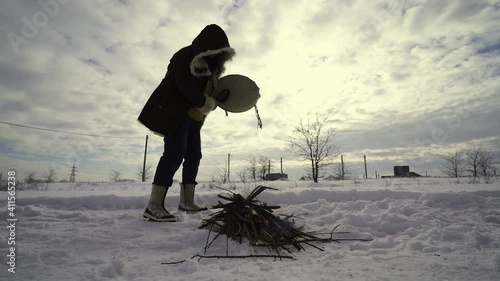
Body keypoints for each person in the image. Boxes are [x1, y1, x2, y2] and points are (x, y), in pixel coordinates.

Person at [138, 24, 235, 222]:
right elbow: (185, 86)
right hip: (175, 113)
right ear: (207, 46)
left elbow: (210, 93)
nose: (217, 55)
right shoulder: (184, 56)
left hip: (194, 118)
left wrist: (219, 100)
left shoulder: (212, 68)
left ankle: (186, 202)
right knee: (174, 154)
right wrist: (205, 102)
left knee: (194, 156)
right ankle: (154, 206)